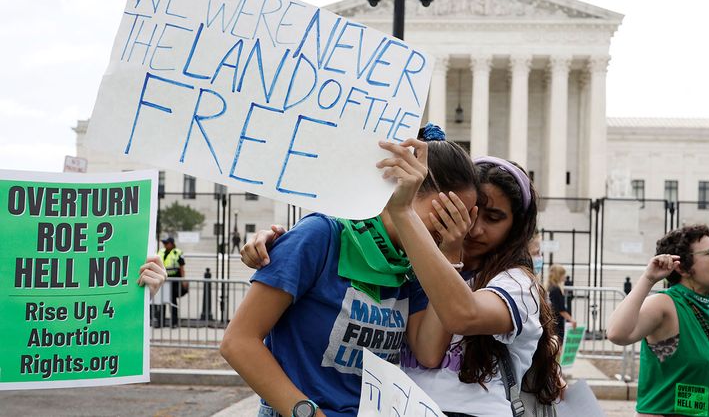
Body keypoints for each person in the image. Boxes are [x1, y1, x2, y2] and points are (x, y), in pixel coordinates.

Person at [240, 154, 564, 417]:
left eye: (487, 217)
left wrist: (448, 250)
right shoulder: (330, 237)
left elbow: (440, 338)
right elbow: (240, 340)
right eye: (452, 214)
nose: (468, 229)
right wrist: (282, 246)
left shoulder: (509, 282)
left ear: (516, 228)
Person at [221, 125, 479, 417]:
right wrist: (307, 412)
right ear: (403, 191)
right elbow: (238, 341)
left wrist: (450, 252)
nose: (450, 230)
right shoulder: (321, 235)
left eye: (461, 222)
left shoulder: (415, 265)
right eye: (444, 217)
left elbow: (428, 351)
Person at [606, 225, 709, 417]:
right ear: (683, 267)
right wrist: (648, 279)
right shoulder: (667, 304)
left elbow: (700, 374)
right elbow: (617, 333)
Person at [153, 236, 186, 327]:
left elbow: (182, 267)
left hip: (174, 281)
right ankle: (160, 322)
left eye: (166, 243)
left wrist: (183, 280)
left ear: (171, 244)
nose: (164, 245)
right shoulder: (161, 251)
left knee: (173, 302)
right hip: (162, 280)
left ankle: (174, 323)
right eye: (164, 243)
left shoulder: (177, 252)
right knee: (161, 302)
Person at [547, 264, 575, 346]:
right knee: (559, 344)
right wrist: (571, 320)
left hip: (552, 320)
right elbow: (560, 309)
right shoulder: (556, 289)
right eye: (563, 274)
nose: (564, 276)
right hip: (557, 321)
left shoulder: (549, 287)